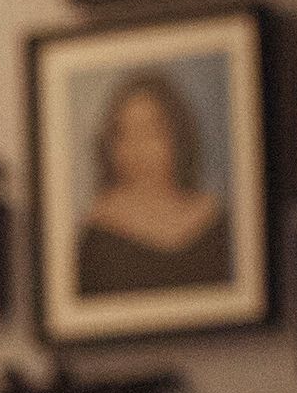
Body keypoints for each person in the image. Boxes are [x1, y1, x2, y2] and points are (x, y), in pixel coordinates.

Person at [74, 66, 231, 298]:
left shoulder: (215, 220)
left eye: (151, 133)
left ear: (178, 137)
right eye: (125, 134)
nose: (139, 150)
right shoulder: (98, 234)